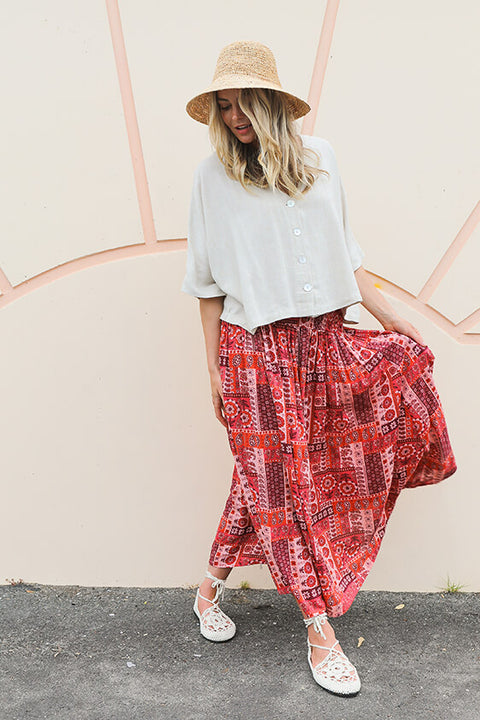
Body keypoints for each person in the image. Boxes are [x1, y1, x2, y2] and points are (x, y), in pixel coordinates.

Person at [181, 40, 457, 696]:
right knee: (291, 488)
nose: (233, 116)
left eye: (242, 101)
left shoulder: (321, 161)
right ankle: (319, 630)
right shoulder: (210, 178)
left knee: (264, 483)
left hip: (325, 347)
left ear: (271, 101)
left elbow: (348, 255)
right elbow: (206, 285)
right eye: (222, 106)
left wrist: (390, 315)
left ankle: (207, 591)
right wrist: (214, 372)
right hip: (254, 355)